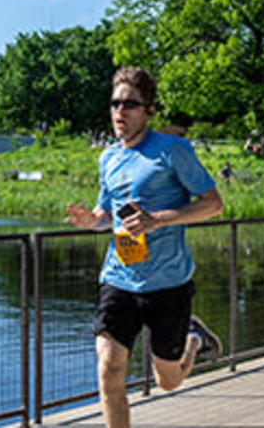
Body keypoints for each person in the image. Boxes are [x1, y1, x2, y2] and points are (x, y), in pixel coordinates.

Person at [65, 67, 225, 428]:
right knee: (109, 369)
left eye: (130, 104)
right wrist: (93, 221)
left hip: (168, 283)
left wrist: (158, 219)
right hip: (119, 278)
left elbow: (213, 204)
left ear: (149, 110)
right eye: (115, 103)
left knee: (168, 381)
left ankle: (194, 340)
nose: (120, 112)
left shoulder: (172, 151)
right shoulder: (108, 158)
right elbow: (107, 214)